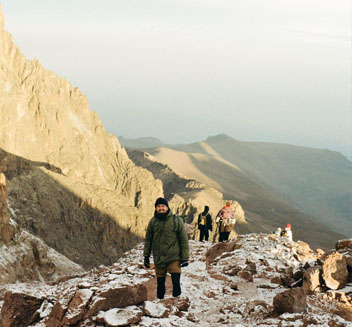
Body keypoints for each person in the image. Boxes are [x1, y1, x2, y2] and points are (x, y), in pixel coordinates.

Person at [143, 197, 190, 299]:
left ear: (167, 207)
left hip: (174, 257)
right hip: (159, 257)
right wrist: (146, 256)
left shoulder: (176, 220)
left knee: (176, 282)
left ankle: (177, 304)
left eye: (163, 206)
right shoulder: (153, 222)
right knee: (160, 284)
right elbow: (148, 240)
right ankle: (160, 304)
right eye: (158, 206)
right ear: (156, 209)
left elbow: (183, 240)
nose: (161, 208)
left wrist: (185, 258)